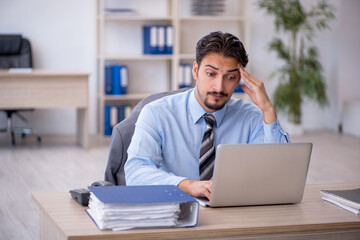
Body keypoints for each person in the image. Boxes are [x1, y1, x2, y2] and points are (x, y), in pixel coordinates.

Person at [125, 31, 289, 199]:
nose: (219, 87)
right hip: (175, 209)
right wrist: (187, 185)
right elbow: (136, 173)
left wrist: (268, 110)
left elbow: (277, 176)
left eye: (230, 77)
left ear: (239, 78)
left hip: (234, 212)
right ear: (195, 70)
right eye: (211, 74)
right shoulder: (156, 113)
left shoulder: (252, 118)